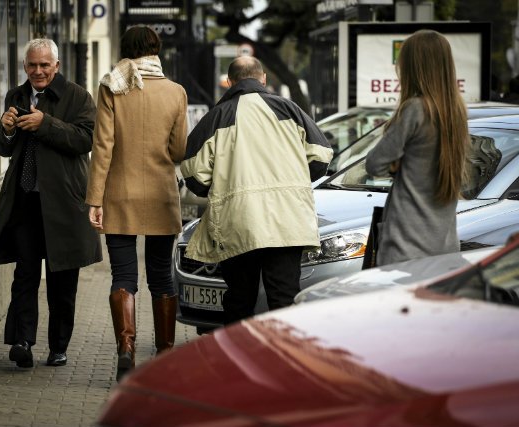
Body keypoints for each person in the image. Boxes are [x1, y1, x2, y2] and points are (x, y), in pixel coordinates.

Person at [180, 56, 333, 325]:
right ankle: (284, 359)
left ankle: (240, 359)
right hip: (288, 220)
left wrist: (217, 186)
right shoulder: (291, 109)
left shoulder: (217, 116)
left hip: (239, 221)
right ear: (263, 79)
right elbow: (321, 158)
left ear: (230, 82)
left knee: (240, 299)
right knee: (284, 299)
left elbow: (193, 173)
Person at [0, 38, 102, 368]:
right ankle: (22, 341)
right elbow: (5, 149)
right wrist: (5, 131)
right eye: (32, 65)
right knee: (25, 275)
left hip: (63, 203)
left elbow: (86, 139)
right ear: (25, 66)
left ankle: (58, 346)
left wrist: (44, 124)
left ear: (57, 66)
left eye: (44, 65)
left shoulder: (78, 96)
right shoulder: (15, 96)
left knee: (63, 279)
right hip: (25, 202)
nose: (38, 71)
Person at [86, 26, 187, 381]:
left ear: (125, 51)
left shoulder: (112, 86)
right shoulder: (176, 92)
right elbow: (178, 151)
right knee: (161, 276)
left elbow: (103, 146)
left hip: (119, 193)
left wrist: (95, 198)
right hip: (161, 195)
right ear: (156, 51)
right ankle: (164, 355)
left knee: (124, 275)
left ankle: (126, 347)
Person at [365, 30, 470, 266]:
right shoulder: (457, 113)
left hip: (406, 244)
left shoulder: (415, 109)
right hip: (444, 245)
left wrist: (396, 163)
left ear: (414, 68)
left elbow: (374, 163)